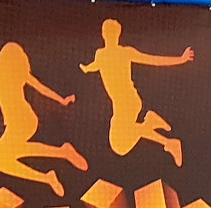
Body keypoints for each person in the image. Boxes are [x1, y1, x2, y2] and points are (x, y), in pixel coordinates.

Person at [80, 18, 193, 166]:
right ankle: (156, 128)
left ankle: (164, 137)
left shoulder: (123, 53)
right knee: (123, 140)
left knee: (119, 145)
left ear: (115, 35)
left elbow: (153, 60)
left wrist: (181, 59)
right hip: (122, 103)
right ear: (104, 34)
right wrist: (87, 68)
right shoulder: (101, 54)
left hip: (127, 102)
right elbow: (97, 65)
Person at [0, 41, 87, 198]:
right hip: (14, 122)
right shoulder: (3, 78)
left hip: (23, 120)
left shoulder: (19, 75)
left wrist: (62, 100)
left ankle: (60, 158)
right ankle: (57, 163)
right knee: (5, 156)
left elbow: (42, 88)